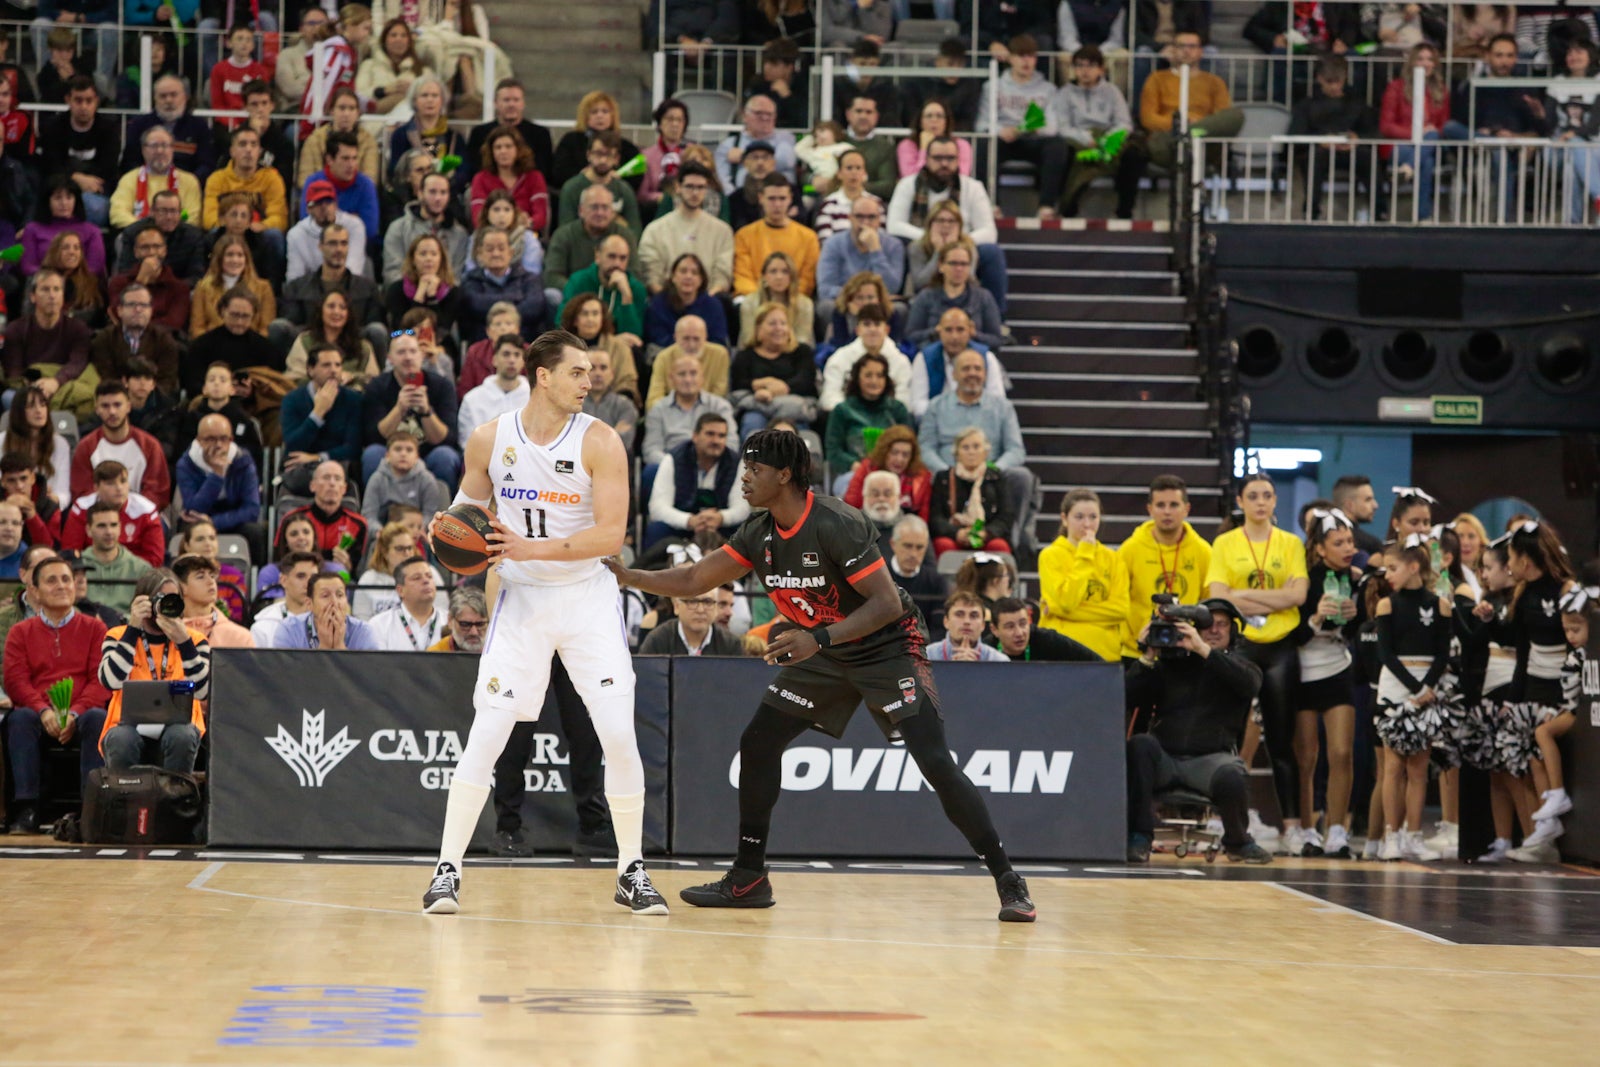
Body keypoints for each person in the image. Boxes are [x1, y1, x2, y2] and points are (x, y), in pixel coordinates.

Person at [606, 428, 1037, 920]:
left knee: (934, 761)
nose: (744, 478)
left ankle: (1008, 879)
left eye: (755, 470)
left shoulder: (836, 523)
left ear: (785, 475)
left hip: (886, 645)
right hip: (826, 651)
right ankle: (748, 877)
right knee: (759, 742)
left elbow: (886, 602)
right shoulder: (759, 531)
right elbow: (695, 578)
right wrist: (629, 576)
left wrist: (819, 639)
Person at [421, 329, 668, 917]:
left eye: (591, 372)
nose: (590, 381)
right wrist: (444, 531)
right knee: (488, 733)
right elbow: (467, 517)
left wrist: (532, 549)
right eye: (578, 372)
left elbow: (612, 536)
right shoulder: (489, 439)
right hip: (523, 605)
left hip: (587, 600)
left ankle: (631, 871)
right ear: (544, 375)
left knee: (617, 735)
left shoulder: (601, 441)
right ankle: (445, 871)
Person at [1205, 473, 1311, 855]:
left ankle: (1292, 827)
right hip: (1243, 645)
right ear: (1241, 501)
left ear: (1275, 501)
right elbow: (1219, 597)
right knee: (1230, 738)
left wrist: (1244, 595)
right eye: (1253, 496)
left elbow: (1298, 596)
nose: (1261, 502)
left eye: (1267, 495)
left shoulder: (1290, 543)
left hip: (1281, 647)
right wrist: (1272, 597)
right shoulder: (1225, 543)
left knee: (1282, 742)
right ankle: (1226, 821)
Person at [1124, 597, 1273, 864]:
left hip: (1210, 760)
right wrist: (1147, 657)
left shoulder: (1241, 666)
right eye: (1208, 625)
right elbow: (1128, 696)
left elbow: (1250, 685)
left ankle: (1238, 842)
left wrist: (1204, 650)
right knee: (1140, 746)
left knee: (1232, 774)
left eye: (1222, 625)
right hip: (1165, 757)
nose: (1215, 630)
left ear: (1233, 631)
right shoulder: (1171, 663)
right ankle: (1139, 837)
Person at [1, 555, 109, 834]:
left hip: (82, 711)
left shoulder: (96, 628)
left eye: (66, 579)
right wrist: (43, 710)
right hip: (38, 712)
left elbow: (101, 681)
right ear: (34, 591)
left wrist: (75, 712)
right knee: (20, 719)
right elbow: (15, 681)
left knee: (98, 717)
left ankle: (91, 810)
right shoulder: (20, 632)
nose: (62, 586)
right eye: (51, 580)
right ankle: (27, 809)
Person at [1292, 507, 1363, 859]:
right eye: (1339, 543)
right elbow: (1295, 634)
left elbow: (1355, 630)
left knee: (1341, 753)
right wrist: (1318, 617)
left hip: (1338, 667)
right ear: (1320, 548)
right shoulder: (1305, 579)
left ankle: (1337, 829)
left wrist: (1354, 618)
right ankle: (1307, 829)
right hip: (1305, 669)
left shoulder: (1357, 578)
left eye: (1350, 541)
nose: (1348, 547)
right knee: (1307, 757)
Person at [96, 567, 210, 775]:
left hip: (180, 725)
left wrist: (184, 642)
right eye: (160, 598)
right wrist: (133, 629)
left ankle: (175, 801)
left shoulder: (195, 640)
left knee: (181, 736)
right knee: (122, 740)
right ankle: (125, 802)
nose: (165, 605)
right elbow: (110, 681)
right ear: (143, 601)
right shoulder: (118, 635)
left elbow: (204, 692)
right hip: (126, 725)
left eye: (172, 598)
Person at [1121, 30, 1245, 213]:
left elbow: (1221, 119)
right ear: (1173, 50)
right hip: (1166, 142)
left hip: (1201, 142)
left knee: (1236, 115)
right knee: (1151, 144)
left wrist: (1194, 125)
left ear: (1200, 51)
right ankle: (1184, 134)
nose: (1186, 51)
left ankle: (1188, 134)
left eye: (1192, 46)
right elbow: (1148, 118)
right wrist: (1179, 123)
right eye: (1181, 46)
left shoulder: (1214, 82)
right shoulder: (1156, 79)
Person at [888, 136, 1009, 314]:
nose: (944, 163)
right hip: (922, 245)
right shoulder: (908, 185)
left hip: (963, 245)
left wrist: (957, 242)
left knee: (992, 252)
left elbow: (989, 232)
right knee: (897, 244)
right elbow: (894, 226)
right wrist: (931, 239)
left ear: (958, 160)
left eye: (950, 158)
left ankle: (997, 322)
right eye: (937, 158)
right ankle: (893, 315)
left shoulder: (973, 187)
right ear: (926, 159)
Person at [1116, 475, 1214, 662]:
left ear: (1187, 509)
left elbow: (1210, 603)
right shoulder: (1129, 550)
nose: (1167, 512)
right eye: (1160, 505)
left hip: (1186, 650)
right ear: (1150, 509)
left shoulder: (1203, 552)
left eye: (1174, 505)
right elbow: (1118, 601)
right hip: (1138, 652)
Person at [977, 35, 1070, 219]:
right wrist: (1000, 130)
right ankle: (990, 205)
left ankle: (1046, 207)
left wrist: (1029, 128)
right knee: (984, 145)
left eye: (1031, 56)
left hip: (1034, 139)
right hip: (1005, 140)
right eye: (1021, 56)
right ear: (1010, 58)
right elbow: (982, 123)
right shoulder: (992, 86)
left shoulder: (1048, 89)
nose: (1026, 61)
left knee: (1057, 146)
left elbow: (1053, 126)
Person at [1377, 42, 1466, 222]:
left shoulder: (1441, 90)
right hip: (1399, 145)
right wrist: (1416, 133)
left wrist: (1428, 133)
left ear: (1435, 64)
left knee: (1432, 137)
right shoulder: (1396, 87)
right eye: (1420, 59)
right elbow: (1386, 126)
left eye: (1430, 59)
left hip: (1430, 144)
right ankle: (1423, 216)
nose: (1426, 63)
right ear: (1412, 63)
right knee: (1426, 160)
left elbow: (1443, 126)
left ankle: (1407, 169)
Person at [1036, 488, 1129, 660]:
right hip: (1061, 653)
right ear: (1064, 519)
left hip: (1106, 655)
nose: (1087, 524)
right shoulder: (1050, 555)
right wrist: (1085, 554)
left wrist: (1065, 613)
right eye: (1079, 517)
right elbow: (1066, 602)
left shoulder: (1113, 558)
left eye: (1093, 517)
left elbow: (1121, 610)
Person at [645, 411, 748, 553]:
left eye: (721, 436)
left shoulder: (737, 463)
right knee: (656, 529)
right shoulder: (673, 459)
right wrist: (689, 521)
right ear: (695, 436)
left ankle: (740, 575)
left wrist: (721, 518)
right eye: (710, 434)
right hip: (682, 526)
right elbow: (657, 507)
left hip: (720, 527)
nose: (716, 441)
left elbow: (742, 508)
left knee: (745, 531)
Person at [2, 271, 94, 418]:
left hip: (64, 387)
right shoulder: (16, 329)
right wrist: (35, 389)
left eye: (57, 289)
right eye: (45, 289)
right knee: (8, 397)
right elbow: (14, 371)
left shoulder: (78, 328)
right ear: (33, 296)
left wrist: (55, 382)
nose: (52, 296)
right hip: (28, 389)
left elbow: (78, 363)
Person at [638, 161, 734, 297]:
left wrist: (704, 302)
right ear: (678, 187)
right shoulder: (655, 230)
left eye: (701, 187)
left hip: (708, 301)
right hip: (666, 302)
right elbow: (651, 276)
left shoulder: (722, 231)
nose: (695, 193)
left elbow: (722, 277)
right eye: (689, 186)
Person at [70, 382, 170, 509]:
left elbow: (158, 493)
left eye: (117, 405)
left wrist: (127, 511)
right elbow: (82, 493)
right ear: (97, 410)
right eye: (105, 406)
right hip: (99, 517)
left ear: (128, 406)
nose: (112, 411)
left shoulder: (150, 445)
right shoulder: (86, 447)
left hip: (140, 516)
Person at [35, 75, 118, 228]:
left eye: (89, 101)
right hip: (59, 188)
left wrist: (78, 179)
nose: (84, 106)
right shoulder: (53, 127)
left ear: (97, 101)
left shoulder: (109, 128)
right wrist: (76, 178)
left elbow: (108, 167)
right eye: (78, 100)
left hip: (97, 189)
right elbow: (51, 164)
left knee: (95, 208)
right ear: (68, 100)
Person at [823, 350, 911, 493]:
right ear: (857, 378)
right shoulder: (842, 411)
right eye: (868, 375)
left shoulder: (897, 410)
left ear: (886, 379)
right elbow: (833, 451)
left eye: (880, 375)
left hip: (894, 473)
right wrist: (855, 466)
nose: (874, 381)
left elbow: (909, 446)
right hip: (854, 473)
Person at [201, 128, 290, 267]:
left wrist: (258, 226)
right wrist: (232, 226)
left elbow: (279, 218)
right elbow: (209, 218)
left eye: (253, 144)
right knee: (212, 233)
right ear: (232, 151)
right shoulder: (217, 179)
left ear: (259, 151)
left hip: (257, 233)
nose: (248, 149)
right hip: (227, 230)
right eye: (242, 144)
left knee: (274, 236)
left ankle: (274, 286)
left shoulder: (272, 178)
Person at [175, 412, 263, 547]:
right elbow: (193, 509)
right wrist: (216, 475)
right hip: (199, 520)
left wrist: (213, 522)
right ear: (199, 441)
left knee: (255, 531)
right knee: (187, 526)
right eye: (210, 439)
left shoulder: (243, 460)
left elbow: (252, 509)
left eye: (224, 438)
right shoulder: (186, 464)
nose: (218, 445)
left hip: (232, 518)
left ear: (231, 439)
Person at [730, 302, 817, 437]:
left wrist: (776, 389)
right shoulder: (745, 355)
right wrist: (762, 383)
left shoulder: (802, 351)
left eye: (783, 323)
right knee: (752, 422)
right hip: (757, 407)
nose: (779, 328)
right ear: (758, 328)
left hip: (793, 408)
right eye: (772, 324)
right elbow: (738, 384)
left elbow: (805, 381)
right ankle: (751, 457)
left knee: (795, 428)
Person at [927, 427, 1014, 558]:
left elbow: (1006, 516)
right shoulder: (943, 478)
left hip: (987, 535)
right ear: (957, 453)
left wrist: (985, 533)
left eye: (976, 446)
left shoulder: (997, 478)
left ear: (985, 452)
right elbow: (936, 517)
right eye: (965, 447)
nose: (971, 452)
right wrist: (957, 533)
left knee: (998, 547)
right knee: (943, 545)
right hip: (954, 535)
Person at [905, 239, 1003, 351]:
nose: (959, 269)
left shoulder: (984, 297)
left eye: (964, 264)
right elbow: (911, 336)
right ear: (941, 266)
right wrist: (936, 331)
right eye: (953, 263)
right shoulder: (926, 296)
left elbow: (996, 340)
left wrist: (974, 334)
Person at [642, 351, 737, 466]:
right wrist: (673, 465)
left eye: (693, 373)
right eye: (682, 374)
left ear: (702, 377)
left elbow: (731, 444)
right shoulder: (658, 409)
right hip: (671, 465)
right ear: (671, 378)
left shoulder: (720, 406)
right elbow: (651, 449)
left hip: (713, 464)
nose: (688, 380)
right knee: (651, 470)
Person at [185, 287, 284, 395]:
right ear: (222, 311)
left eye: (245, 316)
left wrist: (252, 391)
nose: (239, 322)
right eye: (234, 315)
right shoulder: (202, 345)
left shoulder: (265, 348)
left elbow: (273, 385)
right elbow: (192, 383)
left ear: (254, 316)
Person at [733, 176, 819, 300]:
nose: (777, 204)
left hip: (793, 299)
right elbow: (743, 277)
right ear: (761, 198)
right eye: (771, 199)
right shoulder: (744, 235)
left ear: (790, 199)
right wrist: (763, 298)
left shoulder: (808, 237)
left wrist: (784, 297)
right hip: (754, 299)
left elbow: (807, 281)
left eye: (782, 198)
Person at [462, 79, 555, 188]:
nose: (511, 104)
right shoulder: (479, 133)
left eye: (516, 100)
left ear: (523, 103)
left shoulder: (540, 134)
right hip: (488, 189)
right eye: (506, 100)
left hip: (528, 189)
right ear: (495, 103)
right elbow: (474, 169)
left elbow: (544, 171)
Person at [545, 182, 636, 293]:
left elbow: (635, 275)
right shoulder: (563, 235)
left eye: (605, 207)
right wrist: (581, 291)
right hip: (574, 297)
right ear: (581, 211)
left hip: (613, 293)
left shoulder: (625, 236)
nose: (600, 213)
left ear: (612, 212)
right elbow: (552, 276)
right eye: (594, 207)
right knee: (552, 295)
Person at [67, 499, 154, 614]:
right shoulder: (74, 567)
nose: (109, 532)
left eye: (113, 525)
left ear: (120, 528)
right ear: (88, 530)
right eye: (101, 526)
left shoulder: (142, 569)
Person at [816, 195, 903, 309]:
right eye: (859, 216)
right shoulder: (833, 244)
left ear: (879, 220)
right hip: (846, 302)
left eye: (871, 217)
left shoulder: (894, 245)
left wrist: (875, 250)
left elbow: (892, 287)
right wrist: (859, 296)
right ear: (850, 218)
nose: (865, 223)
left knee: (899, 308)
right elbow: (825, 288)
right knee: (826, 306)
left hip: (879, 305)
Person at [561, 235, 648, 347]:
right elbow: (562, 323)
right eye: (611, 256)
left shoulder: (636, 288)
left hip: (618, 351)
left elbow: (634, 337)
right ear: (598, 256)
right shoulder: (579, 281)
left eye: (623, 258)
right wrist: (610, 341)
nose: (617, 263)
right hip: (581, 345)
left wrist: (626, 296)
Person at [549, 90, 642, 194]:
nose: (600, 116)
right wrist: (585, 176)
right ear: (585, 116)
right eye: (594, 112)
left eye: (605, 111)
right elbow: (558, 174)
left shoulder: (626, 146)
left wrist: (616, 178)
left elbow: (637, 175)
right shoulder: (571, 141)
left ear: (613, 116)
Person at [302, 131, 381, 249]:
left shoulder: (366, 185)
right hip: (318, 248)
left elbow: (369, 230)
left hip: (356, 248)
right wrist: (353, 220)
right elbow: (308, 226)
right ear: (329, 159)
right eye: (345, 158)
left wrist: (330, 217)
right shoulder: (313, 183)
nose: (351, 165)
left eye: (354, 158)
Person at [114, 190, 208, 285]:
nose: (169, 217)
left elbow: (196, 276)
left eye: (173, 211)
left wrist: (167, 289)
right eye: (163, 211)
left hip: (177, 291)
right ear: (152, 212)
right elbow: (124, 273)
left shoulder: (193, 236)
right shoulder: (133, 233)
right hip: (139, 287)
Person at [106, 235, 190, 341]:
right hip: (123, 341)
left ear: (165, 250)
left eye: (157, 247)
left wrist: (135, 324)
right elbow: (116, 314)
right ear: (136, 252)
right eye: (145, 247)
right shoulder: (118, 282)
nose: (151, 252)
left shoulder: (179, 287)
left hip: (164, 343)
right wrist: (141, 280)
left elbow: (173, 324)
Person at [191, 236, 277, 340]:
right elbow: (197, 328)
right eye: (229, 255)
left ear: (246, 259)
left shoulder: (263, 288)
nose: (235, 260)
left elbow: (265, 329)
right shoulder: (203, 288)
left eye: (240, 255)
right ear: (219, 258)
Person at [469, 125, 549, 235]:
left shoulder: (535, 177)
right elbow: (478, 218)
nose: (503, 151)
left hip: (525, 233)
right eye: (498, 147)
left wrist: (526, 223)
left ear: (518, 149)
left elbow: (541, 216)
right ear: (491, 152)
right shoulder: (480, 179)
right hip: (491, 235)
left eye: (508, 146)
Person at [0, 386, 72, 505]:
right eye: (31, 406)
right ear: (19, 411)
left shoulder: (60, 444)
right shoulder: (1, 441)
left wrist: (52, 499)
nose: (39, 410)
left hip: (46, 507)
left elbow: (63, 494)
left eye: (43, 405)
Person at [288, 179, 369, 283]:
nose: (324, 207)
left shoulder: (354, 226)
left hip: (349, 287)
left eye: (328, 202)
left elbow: (354, 269)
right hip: (312, 291)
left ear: (335, 205)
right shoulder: (296, 234)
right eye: (318, 203)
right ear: (308, 209)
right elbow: (294, 278)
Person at [24, 178, 106, 279]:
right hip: (44, 282)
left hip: (81, 284)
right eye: (58, 198)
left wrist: (69, 276)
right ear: (47, 201)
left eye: (69, 197)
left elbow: (95, 267)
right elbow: (28, 266)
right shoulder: (32, 229)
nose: (64, 203)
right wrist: (53, 278)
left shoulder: (92, 231)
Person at [387, 75, 466, 180]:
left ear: (442, 100)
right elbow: (395, 170)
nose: (430, 100)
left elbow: (464, 171)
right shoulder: (401, 135)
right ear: (414, 100)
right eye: (424, 95)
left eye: (435, 95)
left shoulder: (454, 137)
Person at [275, 571, 379, 650]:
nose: (334, 602)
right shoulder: (289, 629)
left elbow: (366, 676)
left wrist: (339, 645)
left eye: (340, 595)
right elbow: (286, 675)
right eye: (325, 596)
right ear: (309, 604)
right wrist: (324, 647)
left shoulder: (363, 631)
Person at [638, 578, 744, 655]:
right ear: (676, 606)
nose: (700, 610)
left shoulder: (730, 644)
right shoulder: (657, 641)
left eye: (707, 602)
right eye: (692, 602)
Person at [716, 94, 799, 191]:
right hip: (742, 199)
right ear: (745, 116)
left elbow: (786, 161)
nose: (765, 118)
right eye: (758, 113)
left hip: (781, 200)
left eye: (769, 114)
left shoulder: (786, 138)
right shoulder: (729, 145)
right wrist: (735, 199)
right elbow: (722, 180)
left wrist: (744, 156)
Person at [174, 550, 254, 649]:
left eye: (212, 576)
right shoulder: (167, 633)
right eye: (200, 577)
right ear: (181, 587)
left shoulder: (240, 638)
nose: (211, 581)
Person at [737, 251, 815, 349]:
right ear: (764, 276)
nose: (779, 277)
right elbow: (748, 338)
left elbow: (803, 340)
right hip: (758, 355)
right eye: (773, 271)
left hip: (794, 356)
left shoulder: (805, 304)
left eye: (785, 272)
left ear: (792, 276)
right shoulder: (749, 303)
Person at [365, 556, 444, 652]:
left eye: (429, 576)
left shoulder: (451, 621)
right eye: (416, 578)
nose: (426, 581)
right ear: (400, 590)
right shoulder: (380, 625)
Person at [458, 334, 530, 439]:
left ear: (523, 362)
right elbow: (466, 443)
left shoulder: (536, 398)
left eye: (517, 355)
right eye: (506, 354)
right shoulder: (472, 399)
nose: (512, 360)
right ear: (494, 360)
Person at [987, 596, 1100, 662]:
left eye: (1023, 624)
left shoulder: (1048, 640)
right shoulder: (986, 650)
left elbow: (1098, 663)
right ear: (994, 630)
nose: (1019, 633)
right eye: (1010, 626)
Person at [898, 97, 974, 180]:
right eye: (929, 116)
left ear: (946, 121)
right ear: (920, 121)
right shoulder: (907, 145)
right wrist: (924, 150)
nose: (934, 120)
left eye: (939, 116)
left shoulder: (961, 145)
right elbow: (910, 179)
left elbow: (962, 177)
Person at [638, 97, 691, 214]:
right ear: (660, 123)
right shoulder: (646, 155)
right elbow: (642, 194)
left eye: (679, 120)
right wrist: (664, 198)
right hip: (655, 210)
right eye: (669, 119)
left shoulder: (692, 152)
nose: (675, 124)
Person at [927, 590, 1011, 662]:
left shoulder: (1000, 661)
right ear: (946, 622)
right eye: (959, 614)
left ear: (983, 625)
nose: (967, 621)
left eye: (974, 616)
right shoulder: (924, 657)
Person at [1331, 472, 1382, 555]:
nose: (1375, 505)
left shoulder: (1321, 538)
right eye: (1368, 500)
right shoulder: (1371, 545)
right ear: (1349, 505)